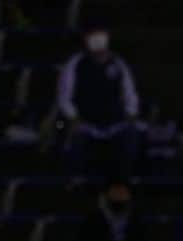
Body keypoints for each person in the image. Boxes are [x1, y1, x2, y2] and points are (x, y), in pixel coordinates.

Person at [57, 21, 141, 177]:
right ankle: (78, 184)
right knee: (75, 143)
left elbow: (130, 94)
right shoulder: (75, 65)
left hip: (116, 124)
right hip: (86, 125)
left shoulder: (118, 63)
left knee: (131, 138)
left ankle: (121, 184)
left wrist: (131, 114)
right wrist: (74, 118)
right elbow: (64, 97)